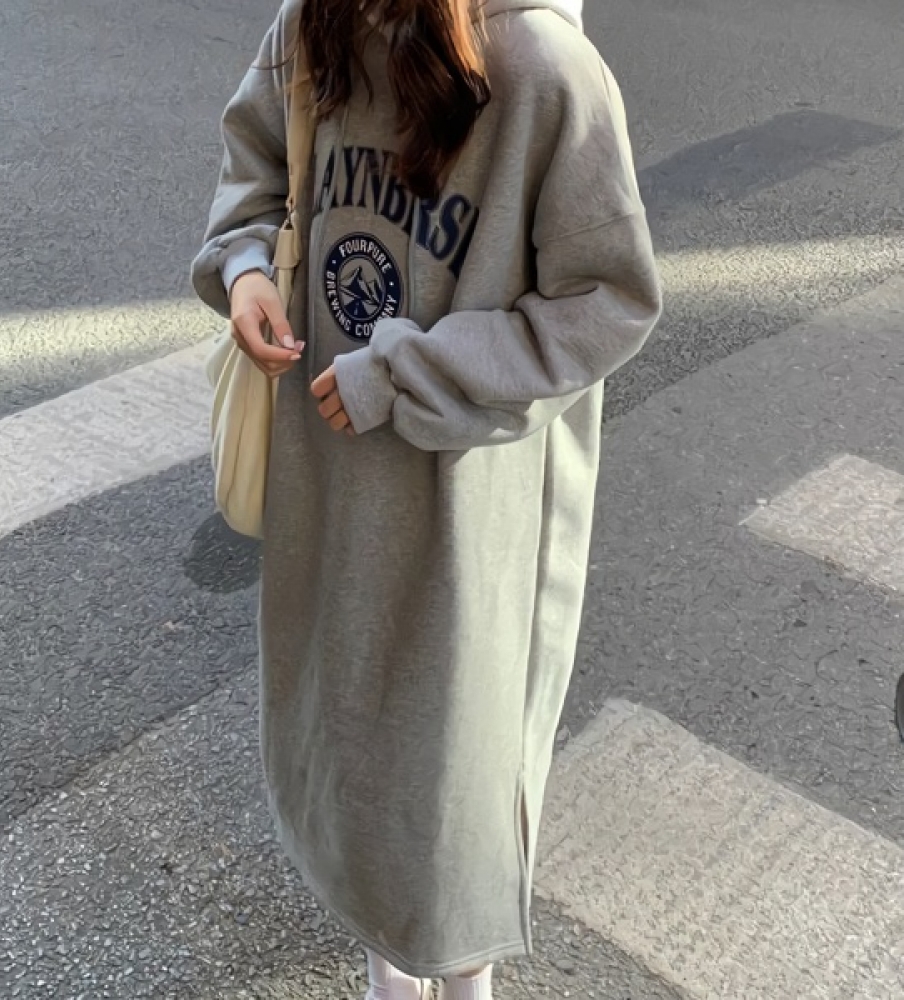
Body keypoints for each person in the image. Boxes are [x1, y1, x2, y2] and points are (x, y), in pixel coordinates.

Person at [192, 0, 661, 996]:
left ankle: (457, 976)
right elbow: (254, 170)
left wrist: (405, 373)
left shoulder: (540, 67)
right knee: (355, 740)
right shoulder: (312, 24)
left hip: (469, 507)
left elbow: (606, 300)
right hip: (329, 483)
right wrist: (246, 271)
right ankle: (391, 973)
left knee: (452, 779)